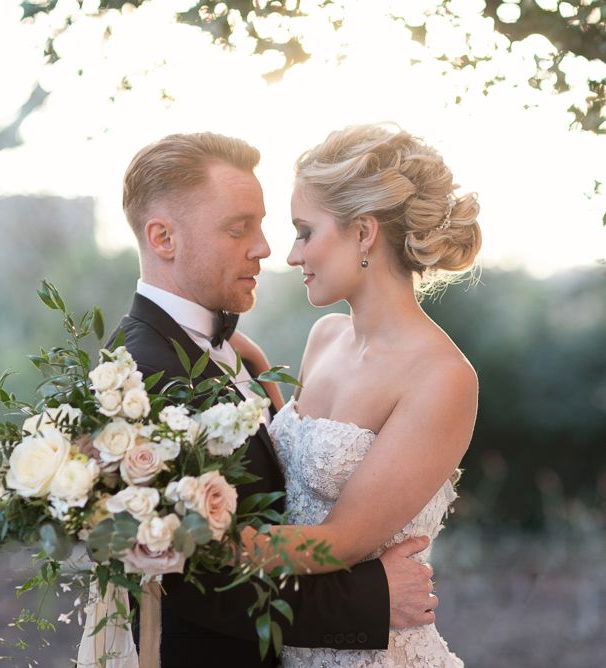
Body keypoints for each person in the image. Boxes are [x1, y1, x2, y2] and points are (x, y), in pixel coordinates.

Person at [104, 132, 437, 668]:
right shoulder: (137, 373)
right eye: (239, 228)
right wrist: (370, 599)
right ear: (163, 237)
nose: (265, 247)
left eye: (266, 225)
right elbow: (186, 580)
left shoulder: (235, 351)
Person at [235, 124, 481, 666]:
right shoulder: (323, 337)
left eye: (305, 231)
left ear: (364, 232)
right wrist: (246, 361)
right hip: (290, 642)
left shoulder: (441, 377)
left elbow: (340, 540)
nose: (293, 254)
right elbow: (297, 463)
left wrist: (191, 548)